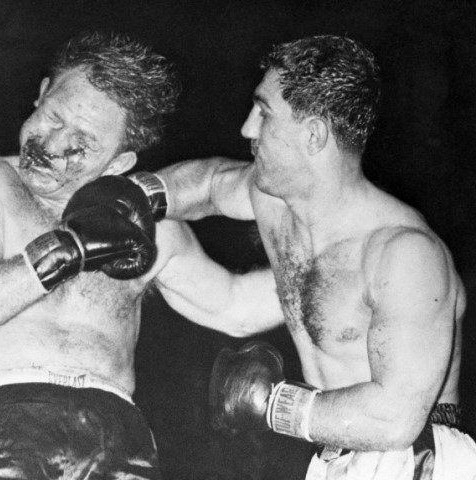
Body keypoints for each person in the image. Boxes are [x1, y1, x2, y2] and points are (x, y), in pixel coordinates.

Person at [0, 30, 284, 479]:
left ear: (119, 164)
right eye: (53, 116)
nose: (52, 145)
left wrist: (327, 269)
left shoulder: (142, 223)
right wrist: (65, 250)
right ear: (42, 92)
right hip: (0, 427)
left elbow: (236, 307)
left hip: (119, 437)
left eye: (82, 142)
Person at [132, 35, 476, 478]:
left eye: (264, 113)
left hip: (415, 454)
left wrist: (271, 403)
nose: (247, 128)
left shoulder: (404, 254)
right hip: (334, 454)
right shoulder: (277, 205)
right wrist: (132, 200)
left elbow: (395, 419)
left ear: (313, 134)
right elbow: (211, 185)